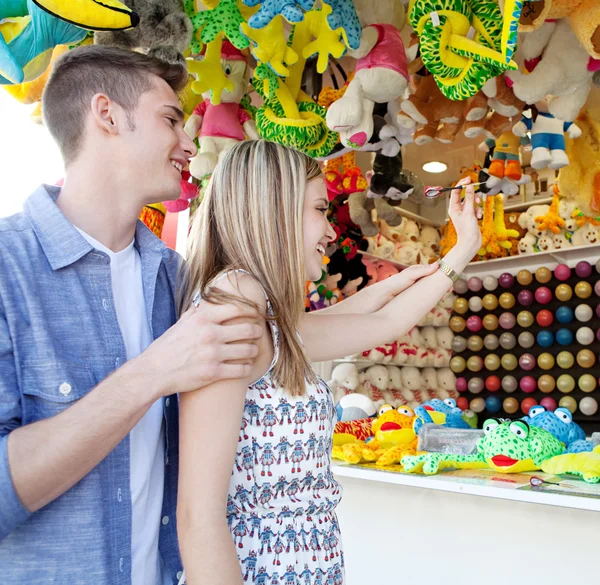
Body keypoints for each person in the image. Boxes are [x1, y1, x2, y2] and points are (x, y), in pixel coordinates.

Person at [0, 46, 263, 585]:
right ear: (107, 116)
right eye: (170, 119)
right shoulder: (7, 269)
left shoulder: (176, 276)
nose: (188, 142)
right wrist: (153, 372)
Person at [176, 140, 482, 585]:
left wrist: (455, 255)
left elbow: (383, 320)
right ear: (274, 210)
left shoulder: (259, 312)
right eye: (320, 209)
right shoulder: (236, 300)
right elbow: (198, 518)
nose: (331, 231)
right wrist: (454, 257)